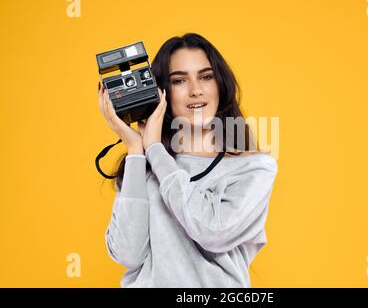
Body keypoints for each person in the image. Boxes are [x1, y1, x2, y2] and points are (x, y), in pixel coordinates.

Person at [98, 33, 278, 287]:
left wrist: (154, 148)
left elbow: (211, 231)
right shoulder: (144, 167)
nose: (196, 90)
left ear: (220, 85)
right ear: (161, 93)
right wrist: (137, 152)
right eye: (179, 80)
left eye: (206, 77)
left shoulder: (253, 169)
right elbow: (128, 253)